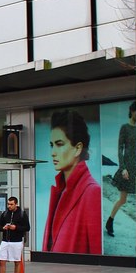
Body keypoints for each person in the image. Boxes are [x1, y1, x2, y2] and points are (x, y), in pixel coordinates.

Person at [42, 109, 102, 254]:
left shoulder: (91, 192)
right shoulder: (60, 191)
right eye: (51, 145)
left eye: (59, 144)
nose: (53, 152)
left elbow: (98, 255)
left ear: (77, 149)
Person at [107, 101, 136, 236]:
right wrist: (122, 168)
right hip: (127, 168)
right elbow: (119, 149)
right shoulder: (125, 128)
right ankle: (110, 221)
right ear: (132, 111)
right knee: (123, 200)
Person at [0, 196, 31, 273]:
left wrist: (16, 227)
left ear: (16, 204)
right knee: (2, 260)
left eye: (11, 204)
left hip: (17, 241)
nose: (9, 206)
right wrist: (3, 228)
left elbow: (27, 227)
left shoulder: (22, 214)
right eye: (8, 204)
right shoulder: (5, 213)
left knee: (17, 261)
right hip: (5, 240)